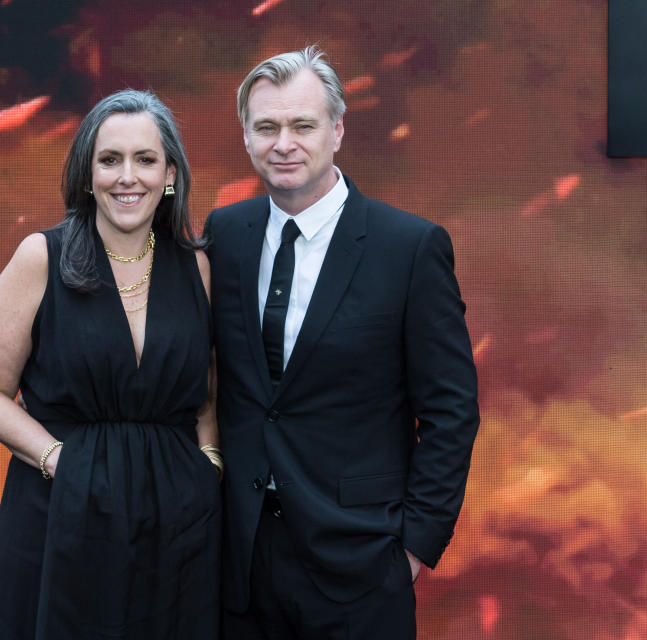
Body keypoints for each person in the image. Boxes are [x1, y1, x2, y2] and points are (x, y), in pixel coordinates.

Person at [203, 47, 480, 639]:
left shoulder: (410, 248)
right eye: (266, 127)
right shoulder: (224, 234)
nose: (284, 143)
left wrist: (412, 548)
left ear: (337, 129)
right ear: (247, 136)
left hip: (361, 564)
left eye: (302, 125)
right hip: (239, 561)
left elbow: (451, 411)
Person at [0, 89, 222, 639]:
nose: (127, 177)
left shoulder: (198, 267)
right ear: (87, 174)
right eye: (110, 160)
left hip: (175, 522)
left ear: (170, 173)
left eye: (145, 160)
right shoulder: (41, 257)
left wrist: (209, 462)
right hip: (59, 510)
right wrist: (59, 460)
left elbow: (207, 391)